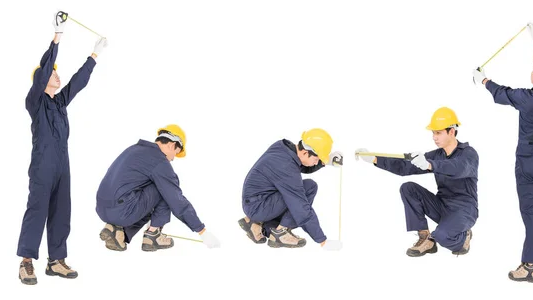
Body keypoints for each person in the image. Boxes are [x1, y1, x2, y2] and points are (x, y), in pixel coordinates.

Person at [17, 11, 108, 285]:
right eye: (53, 74)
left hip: (62, 165)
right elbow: (46, 68)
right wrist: (58, 37)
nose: (57, 77)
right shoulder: (35, 101)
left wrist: (94, 56)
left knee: (61, 211)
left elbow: (77, 83)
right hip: (43, 166)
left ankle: (55, 261)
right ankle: (26, 262)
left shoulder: (59, 103)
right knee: (37, 210)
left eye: (57, 74)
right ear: (41, 81)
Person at [473, 22, 533, 283]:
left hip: (529, 163)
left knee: (530, 212)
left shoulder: (528, 98)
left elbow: (502, 93)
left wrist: (482, 79)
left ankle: (530, 266)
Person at [356, 107, 479, 257]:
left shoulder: (469, 154)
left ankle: (463, 236)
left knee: (441, 235)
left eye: (438, 132)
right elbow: (405, 167)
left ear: (451, 132)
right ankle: (425, 238)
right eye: (433, 133)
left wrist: (431, 165)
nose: (434, 137)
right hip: (442, 205)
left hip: (464, 210)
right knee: (408, 188)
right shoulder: (436, 155)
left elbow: (459, 168)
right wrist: (375, 159)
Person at [96, 125, 221, 253]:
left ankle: (118, 231)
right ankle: (153, 235)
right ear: (172, 145)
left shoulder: (134, 149)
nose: (172, 159)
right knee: (167, 187)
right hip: (123, 211)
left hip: (103, 209)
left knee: (156, 187)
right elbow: (176, 200)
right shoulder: (159, 161)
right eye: (175, 154)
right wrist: (202, 231)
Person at [238, 128, 343, 250]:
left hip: (257, 201)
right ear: (305, 152)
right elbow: (300, 207)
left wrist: (325, 161)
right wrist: (322, 240)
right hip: (258, 208)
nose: (316, 163)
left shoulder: (283, 148)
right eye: (316, 160)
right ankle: (280, 232)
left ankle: (256, 224)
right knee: (302, 196)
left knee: (309, 186)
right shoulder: (286, 167)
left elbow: (300, 165)